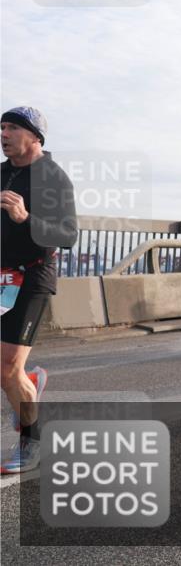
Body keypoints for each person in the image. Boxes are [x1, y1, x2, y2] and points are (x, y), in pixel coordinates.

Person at [1, 106, 77, 474]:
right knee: (6, 370)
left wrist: (25, 217)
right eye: (1, 127)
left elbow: (67, 236)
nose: (4, 133)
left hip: (33, 278)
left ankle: (32, 442)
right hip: (2, 278)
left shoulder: (53, 178)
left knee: (6, 366)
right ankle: (29, 381)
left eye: (12, 127)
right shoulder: (3, 173)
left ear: (35, 136)